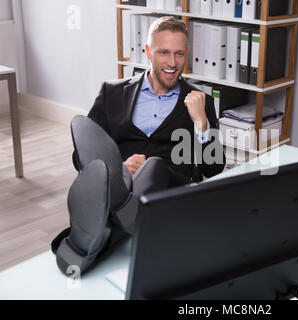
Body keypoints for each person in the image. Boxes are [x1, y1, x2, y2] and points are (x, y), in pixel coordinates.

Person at [52, 16, 225, 274]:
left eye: (179, 53)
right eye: (163, 52)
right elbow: (82, 155)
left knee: (154, 166)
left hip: (170, 190)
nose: (172, 63)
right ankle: (113, 222)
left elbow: (214, 168)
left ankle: (96, 239)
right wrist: (118, 168)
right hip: (121, 186)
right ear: (147, 52)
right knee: (109, 177)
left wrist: (200, 124)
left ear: (187, 54)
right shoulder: (112, 93)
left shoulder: (201, 101)